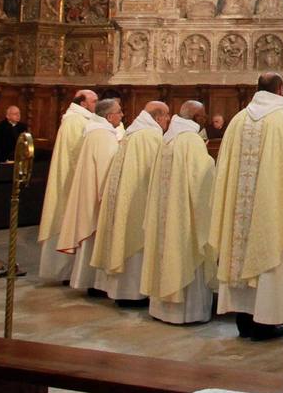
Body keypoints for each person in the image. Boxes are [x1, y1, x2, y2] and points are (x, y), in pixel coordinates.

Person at [210, 73, 283, 341]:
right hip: (272, 210)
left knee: (239, 256)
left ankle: (244, 321)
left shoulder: (237, 120)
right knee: (271, 256)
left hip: (239, 214)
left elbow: (224, 168)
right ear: (281, 89)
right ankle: (267, 321)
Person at [142, 100, 216, 325]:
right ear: (196, 118)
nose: (205, 119)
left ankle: (161, 309)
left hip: (167, 212)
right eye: (203, 115)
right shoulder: (191, 141)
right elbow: (202, 180)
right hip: (184, 216)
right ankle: (188, 313)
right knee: (185, 253)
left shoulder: (168, 139)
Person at [91, 101, 168, 305]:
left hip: (127, 198)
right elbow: (159, 169)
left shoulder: (133, 133)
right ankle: (135, 293)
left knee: (124, 239)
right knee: (137, 243)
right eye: (166, 116)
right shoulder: (151, 135)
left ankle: (121, 292)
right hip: (139, 200)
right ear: (158, 117)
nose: (168, 120)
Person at [57, 97, 124, 292]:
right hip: (98, 200)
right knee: (97, 243)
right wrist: (111, 197)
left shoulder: (96, 132)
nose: (122, 115)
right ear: (110, 116)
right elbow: (107, 170)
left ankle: (89, 281)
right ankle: (97, 284)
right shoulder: (103, 136)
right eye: (119, 112)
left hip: (90, 195)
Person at [38, 89, 98, 281]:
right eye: (94, 101)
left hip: (74, 177)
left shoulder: (80, 119)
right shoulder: (75, 121)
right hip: (71, 181)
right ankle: (64, 271)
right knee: (65, 219)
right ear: (83, 103)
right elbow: (78, 153)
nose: (97, 104)